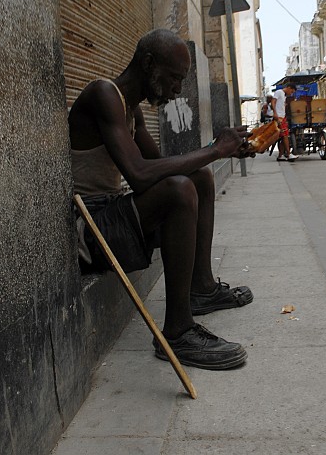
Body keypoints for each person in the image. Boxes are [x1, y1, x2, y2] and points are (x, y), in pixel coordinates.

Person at [69, 28, 254, 370]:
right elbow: (140, 175)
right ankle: (177, 331)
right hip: (89, 231)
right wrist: (214, 149)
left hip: (111, 216)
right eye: (173, 78)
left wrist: (219, 153)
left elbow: (157, 170)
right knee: (180, 189)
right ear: (149, 64)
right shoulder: (103, 94)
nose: (177, 89)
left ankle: (201, 289)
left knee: (197, 179)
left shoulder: (131, 109)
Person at [272, 83, 298, 161]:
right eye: (291, 91)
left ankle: (280, 155)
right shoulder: (279, 92)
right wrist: (275, 113)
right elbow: (273, 102)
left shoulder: (284, 95)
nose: (291, 93)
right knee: (285, 136)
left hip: (282, 117)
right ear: (288, 88)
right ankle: (289, 154)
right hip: (279, 117)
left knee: (282, 137)